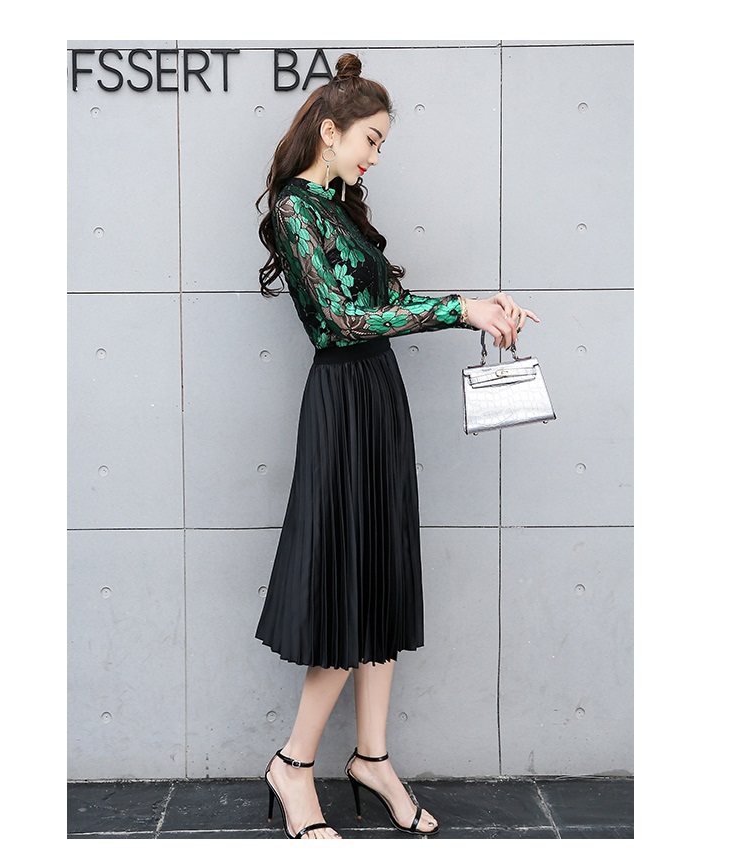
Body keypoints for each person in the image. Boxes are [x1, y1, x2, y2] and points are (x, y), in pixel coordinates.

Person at [253, 53, 539, 840]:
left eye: (381, 144)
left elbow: (389, 303)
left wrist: (477, 307)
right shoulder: (296, 209)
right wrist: (458, 308)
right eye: (370, 140)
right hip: (342, 404)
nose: (375, 156)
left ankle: (372, 757)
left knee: (379, 577)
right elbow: (342, 321)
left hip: (377, 396)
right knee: (348, 585)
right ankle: (294, 765)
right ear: (331, 130)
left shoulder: (341, 210)